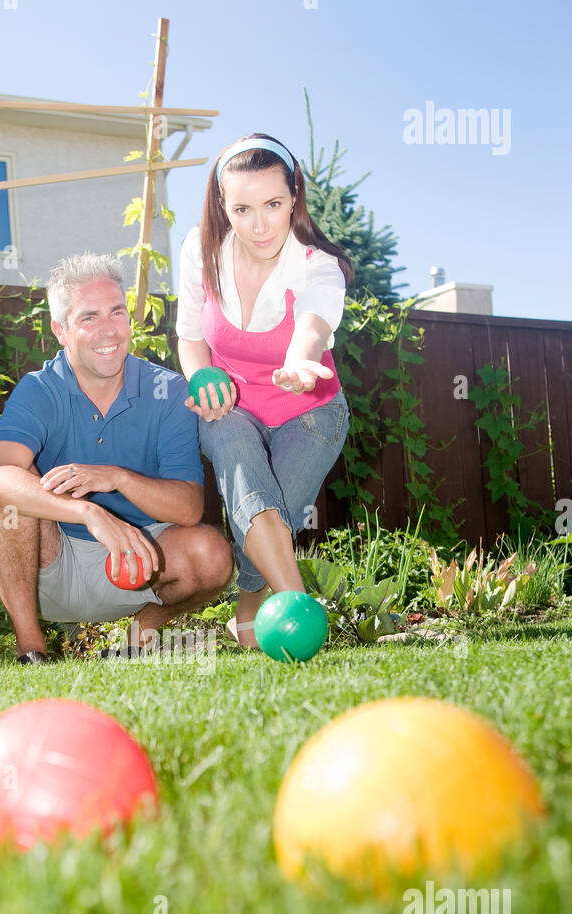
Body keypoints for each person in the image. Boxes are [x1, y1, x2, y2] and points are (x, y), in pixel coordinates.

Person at [0, 253, 233, 661]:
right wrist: (90, 514)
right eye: (89, 318)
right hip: (49, 565)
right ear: (60, 330)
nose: (108, 330)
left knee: (213, 554)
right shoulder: (40, 389)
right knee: (3, 504)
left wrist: (117, 477)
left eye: (117, 312)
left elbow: (188, 508)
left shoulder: (167, 391)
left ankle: (141, 632)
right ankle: (31, 649)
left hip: (141, 560)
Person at [176, 132, 354, 647]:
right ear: (222, 206)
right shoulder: (200, 251)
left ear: (293, 197)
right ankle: (303, 620)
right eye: (243, 209)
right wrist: (199, 375)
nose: (259, 225)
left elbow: (314, 325)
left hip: (311, 412)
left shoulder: (318, 265)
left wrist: (301, 361)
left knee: (268, 510)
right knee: (245, 475)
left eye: (273, 205)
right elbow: (190, 339)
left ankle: (250, 598)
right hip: (230, 408)